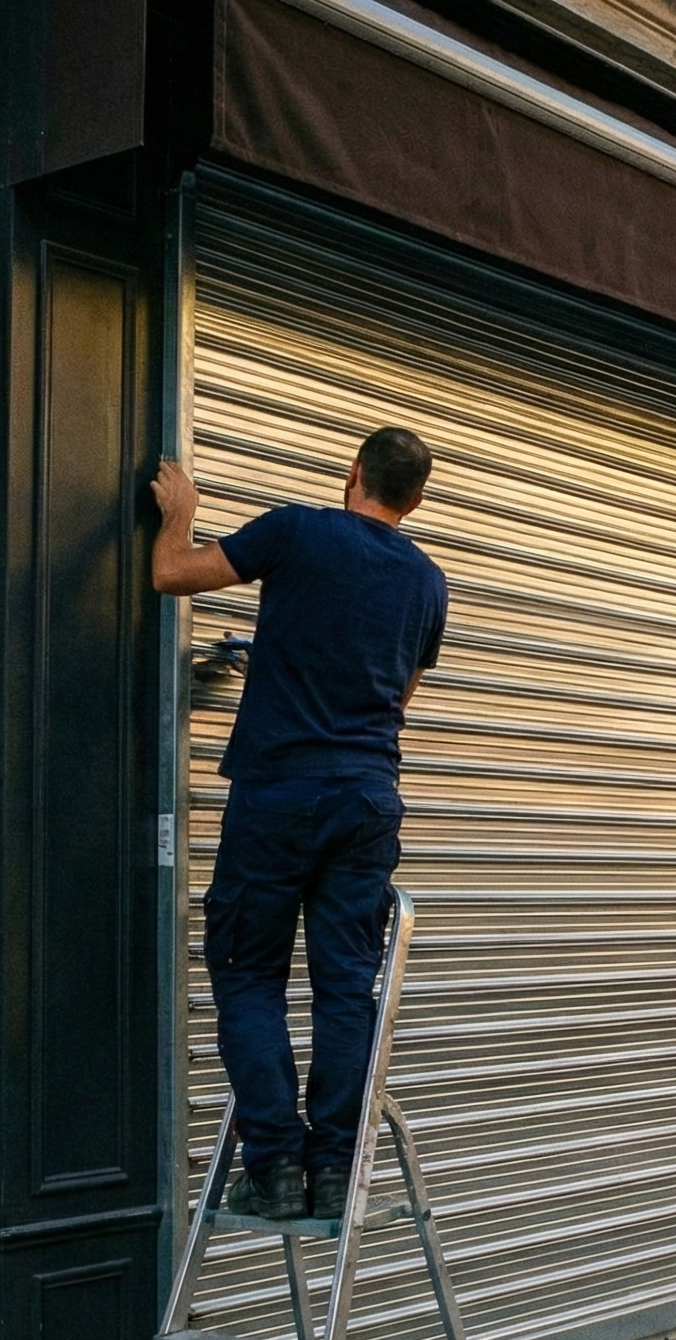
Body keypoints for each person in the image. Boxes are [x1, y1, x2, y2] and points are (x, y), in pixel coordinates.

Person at [149, 430, 449, 1222]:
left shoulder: (296, 530)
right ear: (414, 501)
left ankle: (275, 1162)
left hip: (280, 791)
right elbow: (399, 700)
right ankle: (335, 1167)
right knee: (346, 987)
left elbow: (170, 573)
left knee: (250, 972)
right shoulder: (427, 582)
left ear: (353, 473)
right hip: (367, 797)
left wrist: (181, 512)